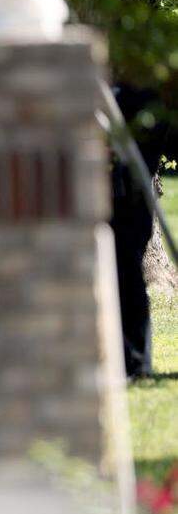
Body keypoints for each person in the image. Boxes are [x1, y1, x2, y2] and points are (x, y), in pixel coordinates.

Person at [110, 82, 172, 379]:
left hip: (129, 191)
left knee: (126, 260)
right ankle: (131, 362)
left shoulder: (145, 96)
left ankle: (134, 363)